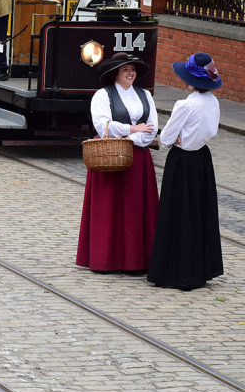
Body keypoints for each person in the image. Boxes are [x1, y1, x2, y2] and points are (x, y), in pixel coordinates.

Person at [76, 53, 159, 274]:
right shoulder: (103, 96)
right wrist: (132, 129)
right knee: (108, 210)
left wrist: (132, 139)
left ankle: (136, 261)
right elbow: (103, 125)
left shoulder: (145, 95)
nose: (131, 73)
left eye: (132, 69)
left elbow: (151, 128)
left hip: (138, 157)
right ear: (116, 73)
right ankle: (105, 260)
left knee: (134, 210)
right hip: (109, 157)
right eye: (125, 70)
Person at [148, 53, 224, 291]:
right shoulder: (213, 102)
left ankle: (177, 271)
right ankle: (201, 268)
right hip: (202, 158)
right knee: (199, 212)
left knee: (178, 212)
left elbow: (168, 138)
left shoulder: (186, 105)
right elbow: (211, 131)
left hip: (182, 160)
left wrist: (179, 137)